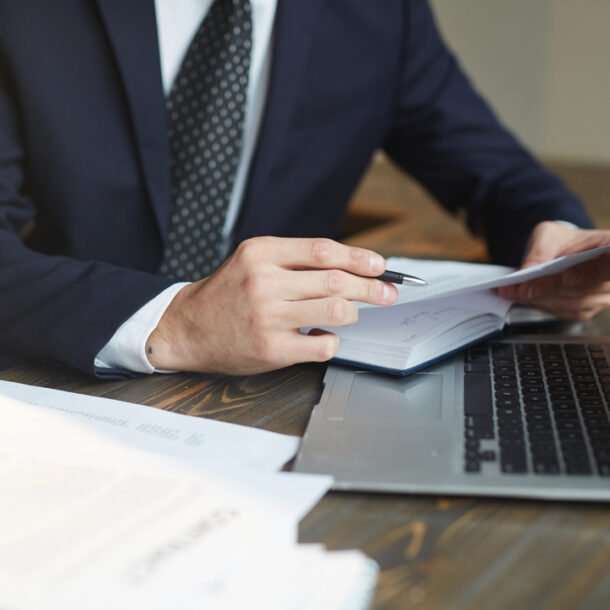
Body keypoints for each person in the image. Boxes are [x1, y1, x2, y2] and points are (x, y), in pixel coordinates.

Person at [0, 0, 608, 379]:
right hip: (63, 366)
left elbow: (495, 170)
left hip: (279, 393)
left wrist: (556, 241)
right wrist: (180, 322)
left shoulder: (382, 14)